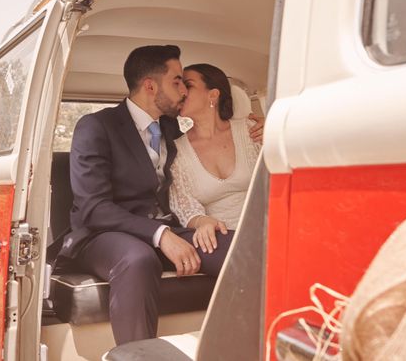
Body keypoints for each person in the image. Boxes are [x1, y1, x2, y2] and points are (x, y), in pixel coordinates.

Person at [60, 45, 262, 345]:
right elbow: (94, 207)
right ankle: (136, 355)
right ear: (151, 86)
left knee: (243, 250)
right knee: (138, 259)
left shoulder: (171, 127)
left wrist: (261, 128)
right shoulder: (96, 127)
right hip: (104, 234)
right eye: (177, 80)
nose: (182, 89)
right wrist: (162, 235)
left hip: (165, 228)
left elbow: (216, 131)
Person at [169, 64, 261, 255]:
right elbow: (184, 207)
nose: (181, 91)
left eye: (188, 84)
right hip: (220, 243)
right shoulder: (177, 151)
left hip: (266, 229)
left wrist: (277, 131)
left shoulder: (251, 130)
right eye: (179, 85)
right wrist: (202, 222)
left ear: (213, 95)